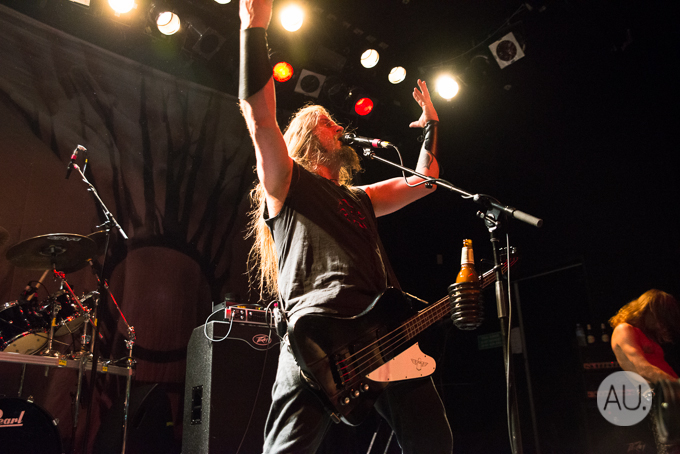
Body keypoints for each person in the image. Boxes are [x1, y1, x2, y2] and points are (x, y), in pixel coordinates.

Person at [238, 1, 453, 453]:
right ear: (305, 137)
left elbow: (425, 181)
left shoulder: (360, 197)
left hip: (384, 332)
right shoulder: (287, 181)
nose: (339, 127)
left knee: (433, 440)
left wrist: (431, 125)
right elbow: (259, 117)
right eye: (328, 123)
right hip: (319, 338)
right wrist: (253, 27)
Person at [610, 289, 680, 454]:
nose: (661, 324)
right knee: (672, 447)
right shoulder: (623, 329)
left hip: (669, 392)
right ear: (647, 311)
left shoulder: (642, 333)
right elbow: (643, 367)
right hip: (659, 393)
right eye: (659, 318)